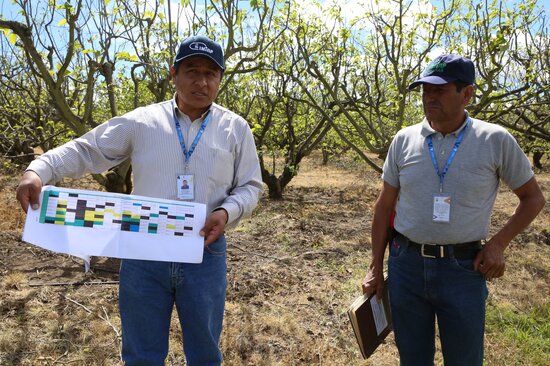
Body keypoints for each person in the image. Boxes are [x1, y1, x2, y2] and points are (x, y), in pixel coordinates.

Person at [16, 35, 263, 365]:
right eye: (192, 71)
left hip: (204, 253)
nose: (201, 82)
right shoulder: (144, 122)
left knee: (205, 354)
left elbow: (250, 186)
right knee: (141, 355)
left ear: (219, 79)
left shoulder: (236, 128)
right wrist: (39, 170)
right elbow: (87, 149)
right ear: (174, 74)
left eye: (210, 73)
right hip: (144, 255)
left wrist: (225, 212)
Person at [361, 54, 545, 365]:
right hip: (406, 265)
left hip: (463, 269)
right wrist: (375, 266)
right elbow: (384, 207)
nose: (429, 97)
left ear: (467, 93)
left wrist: (498, 244)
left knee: (464, 359)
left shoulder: (495, 139)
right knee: (413, 358)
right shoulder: (404, 140)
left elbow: (533, 198)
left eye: (439, 90)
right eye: (425, 90)